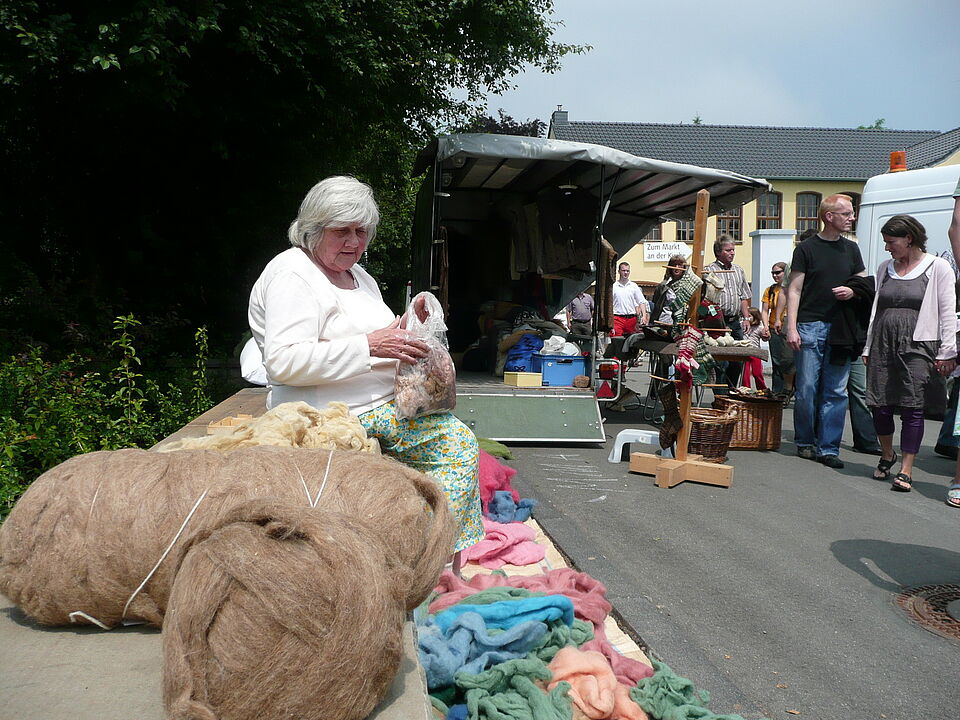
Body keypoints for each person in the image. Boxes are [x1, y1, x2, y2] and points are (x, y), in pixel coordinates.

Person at [247, 176, 484, 567]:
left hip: (379, 405)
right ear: (313, 229)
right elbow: (284, 362)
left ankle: (433, 555)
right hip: (329, 413)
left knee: (456, 442)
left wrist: (408, 323)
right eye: (342, 231)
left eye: (361, 232)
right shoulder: (293, 275)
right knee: (454, 447)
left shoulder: (358, 275)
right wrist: (371, 346)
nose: (354, 242)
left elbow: (370, 334)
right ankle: (428, 559)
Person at [863, 214, 957, 491]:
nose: (887, 247)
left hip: (919, 344)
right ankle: (887, 453)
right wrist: (868, 345)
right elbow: (875, 310)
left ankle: (906, 468)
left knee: (912, 406)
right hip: (883, 343)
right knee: (879, 405)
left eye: (891, 242)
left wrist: (947, 351)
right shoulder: (885, 268)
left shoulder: (938, 267)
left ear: (909, 238)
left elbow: (948, 312)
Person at [785, 194, 866, 469]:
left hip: (842, 329)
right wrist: (791, 327)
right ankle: (805, 441)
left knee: (837, 391)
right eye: (847, 213)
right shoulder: (806, 249)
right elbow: (794, 289)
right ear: (829, 216)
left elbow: (863, 284)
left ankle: (828, 447)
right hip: (810, 325)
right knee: (807, 388)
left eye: (852, 213)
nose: (852, 218)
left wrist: (853, 291)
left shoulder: (852, 249)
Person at [705, 236, 751, 389]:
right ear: (718, 252)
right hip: (718, 322)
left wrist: (746, 318)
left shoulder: (738, 270)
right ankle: (720, 394)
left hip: (735, 322)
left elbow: (744, 296)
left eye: (733, 250)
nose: (732, 253)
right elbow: (704, 300)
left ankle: (731, 391)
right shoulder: (709, 270)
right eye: (728, 250)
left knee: (737, 360)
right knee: (721, 362)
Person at [762, 262, 794, 396]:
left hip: (789, 328)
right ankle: (777, 392)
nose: (775, 276)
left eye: (778, 273)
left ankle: (789, 389)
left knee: (789, 361)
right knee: (776, 362)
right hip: (774, 329)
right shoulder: (770, 290)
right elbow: (765, 310)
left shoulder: (793, 288)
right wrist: (765, 327)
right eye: (773, 273)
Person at [649, 254, 688, 327]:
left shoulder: (688, 285)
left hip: (682, 323)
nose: (676, 267)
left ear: (684, 267)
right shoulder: (663, 285)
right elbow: (656, 303)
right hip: (665, 321)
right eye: (674, 265)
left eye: (679, 265)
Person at [611, 262, 649, 336]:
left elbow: (641, 301)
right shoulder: (614, 286)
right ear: (619, 271)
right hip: (617, 319)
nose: (626, 273)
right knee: (616, 339)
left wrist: (644, 316)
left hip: (631, 319)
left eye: (627, 271)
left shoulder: (633, 286)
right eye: (623, 270)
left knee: (632, 340)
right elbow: (609, 305)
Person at [741, 307, 767, 390]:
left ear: (755, 317)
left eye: (749, 316)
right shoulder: (742, 325)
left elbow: (765, 338)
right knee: (745, 372)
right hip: (745, 351)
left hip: (755, 352)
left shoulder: (759, 327)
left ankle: (762, 388)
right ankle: (746, 388)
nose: (747, 318)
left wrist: (766, 335)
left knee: (757, 372)